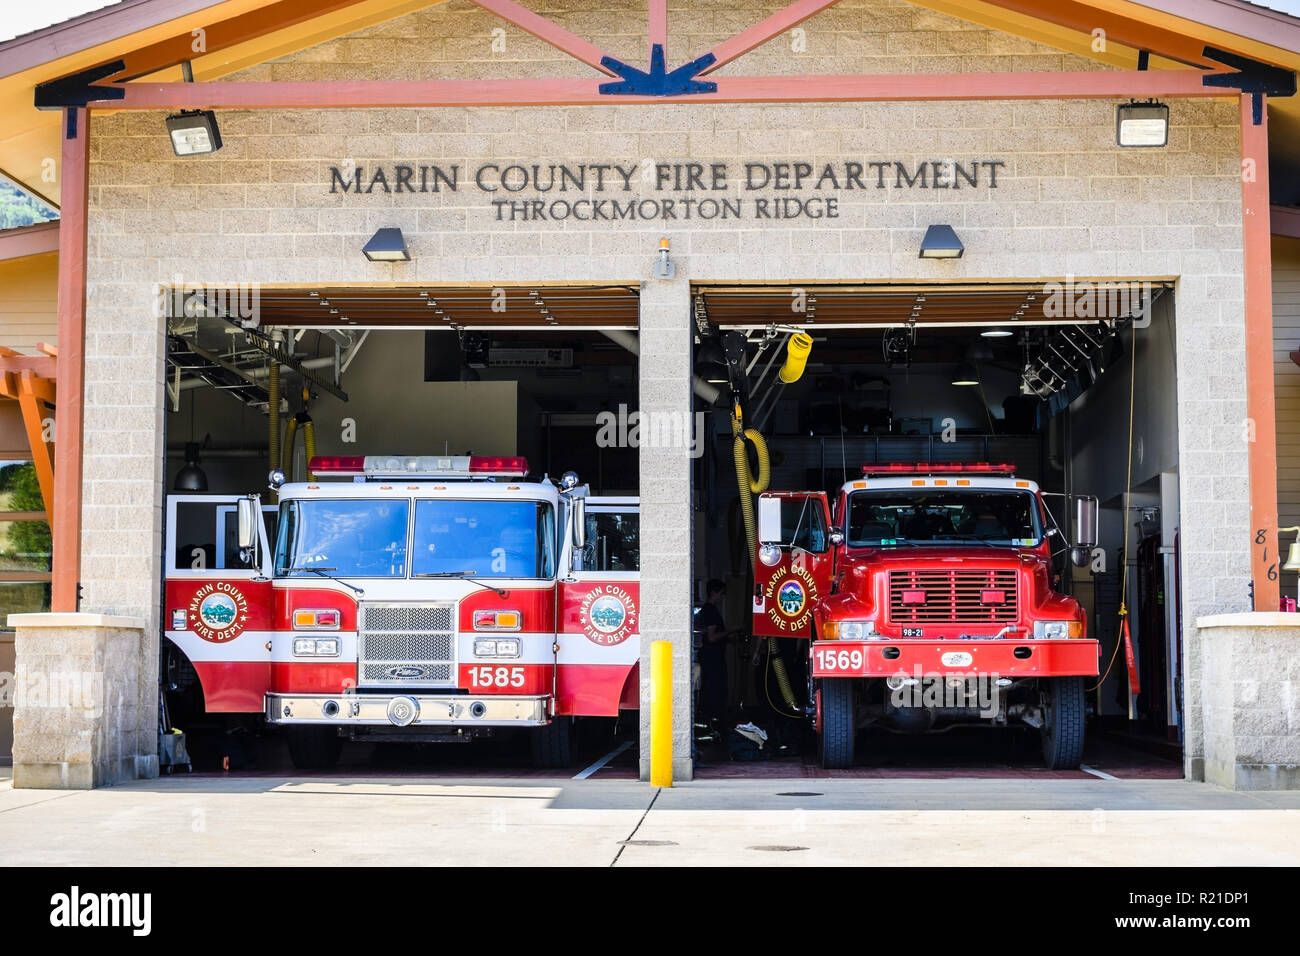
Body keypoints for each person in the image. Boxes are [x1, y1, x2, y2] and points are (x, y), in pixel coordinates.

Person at [695, 579, 732, 729]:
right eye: (721, 594)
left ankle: (711, 723)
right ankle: (715, 724)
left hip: (709, 657)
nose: (723, 597)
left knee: (711, 690)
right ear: (713, 593)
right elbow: (712, 637)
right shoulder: (711, 611)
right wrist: (731, 630)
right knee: (715, 691)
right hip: (713, 660)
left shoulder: (705, 610)